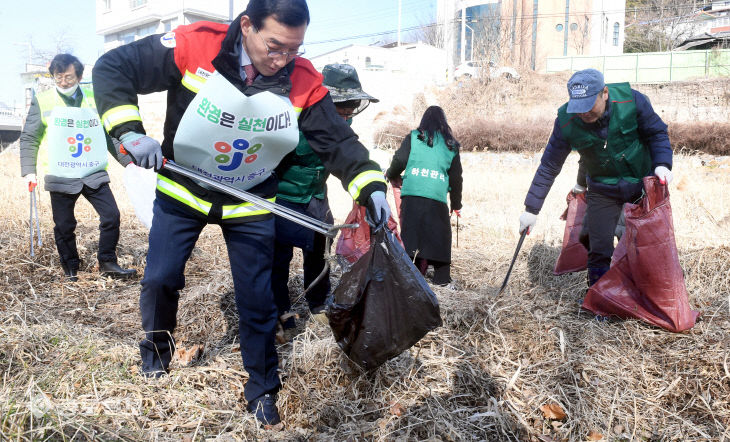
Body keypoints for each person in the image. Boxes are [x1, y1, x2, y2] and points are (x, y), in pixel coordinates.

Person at [92, 0, 390, 426]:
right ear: (246, 25)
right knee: (160, 278)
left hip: (250, 200)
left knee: (257, 299)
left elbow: (339, 143)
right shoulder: (195, 47)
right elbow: (112, 68)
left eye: (294, 49)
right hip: (184, 190)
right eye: (274, 46)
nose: (282, 60)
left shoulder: (303, 80)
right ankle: (156, 354)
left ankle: (263, 390)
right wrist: (128, 132)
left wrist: (371, 187)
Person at [519, 68, 673, 286]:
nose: (584, 113)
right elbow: (549, 166)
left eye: (590, 105)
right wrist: (531, 210)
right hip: (603, 189)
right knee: (598, 248)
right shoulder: (566, 121)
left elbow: (657, 133)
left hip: (640, 185)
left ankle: (641, 296)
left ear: (605, 93)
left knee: (642, 245)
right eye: (579, 107)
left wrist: (663, 165)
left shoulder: (632, 102)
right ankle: (599, 300)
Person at [272, 63, 378, 328]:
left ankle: (318, 302)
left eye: (352, 107)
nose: (348, 113)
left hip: (316, 195)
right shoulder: (295, 117)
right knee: (278, 256)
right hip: (283, 196)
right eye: (343, 106)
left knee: (320, 252)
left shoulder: (343, 124)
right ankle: (280, 309)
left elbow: (344, 159)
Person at [19, 54, 137, 282]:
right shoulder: (43, 100)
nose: (63, 82)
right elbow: (30, 138)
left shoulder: (94, 99)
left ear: (80, 76)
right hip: (61, 174)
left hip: (93, 171)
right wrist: (28, 170)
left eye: (69, 77)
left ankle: (107, 261)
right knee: (64, 226)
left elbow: (107, 135)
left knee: (111, 216)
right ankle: (71, 268)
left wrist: (129, 163)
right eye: (58, 77)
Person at [385, 106, 463, 286]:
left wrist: (390, 173)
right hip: (437, 199)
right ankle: (442, 279)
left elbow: (399, 161)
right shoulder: (451, 145)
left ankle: (410, 278)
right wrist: (456, 204)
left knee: (412, 236)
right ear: (444, 122)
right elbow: (456, 179)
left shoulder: (414, 137)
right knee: (440, 238)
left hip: (411, 197)